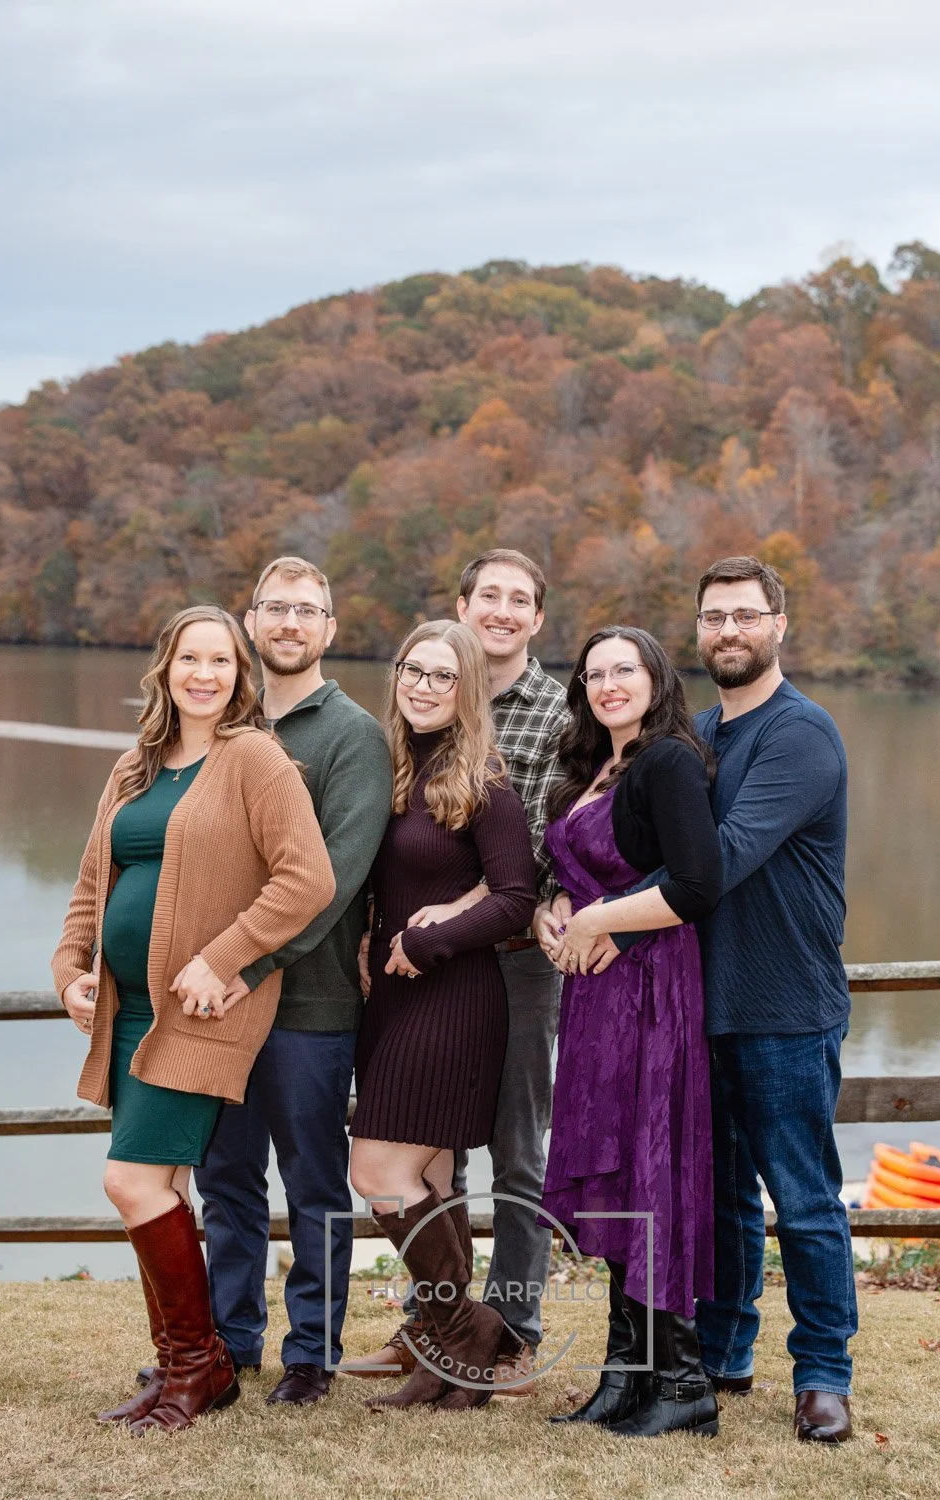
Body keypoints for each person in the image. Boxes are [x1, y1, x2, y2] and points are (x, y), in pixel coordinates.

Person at [561, 556, 857, 1444]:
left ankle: (823, 1375)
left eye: (746, 615)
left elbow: (717, 859)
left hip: (779, 1001)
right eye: (715, 617)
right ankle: (723, 1354)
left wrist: (606, 915)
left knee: (801, 1197)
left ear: (778, 625)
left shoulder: (801, 734)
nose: (730, 630)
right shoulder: (689, 734)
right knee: (715, 1197)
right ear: (697, 632)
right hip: (688, 1006)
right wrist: (575, 900)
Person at [52, 605, 334, 1435]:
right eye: (189, 659)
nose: (204, 675)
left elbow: (306, 878)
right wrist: (72, 972)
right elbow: (88, 883)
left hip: (201, 1010)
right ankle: (188, 1365)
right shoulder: (137, 764)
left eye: (221, 661)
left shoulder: (255, 759)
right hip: (128, 1008)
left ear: (241, 676)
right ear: (166, 670)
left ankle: (197, 1364)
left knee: (129, 1181)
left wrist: (225, 957)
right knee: (163, 1187)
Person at [345, 549, 568, 1394]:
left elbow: (519, 890)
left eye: (444, 675)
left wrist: (429, 937)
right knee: (435, 1174)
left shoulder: (491, 773)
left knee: (384, 1170)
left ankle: (483, 1330)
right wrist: (376, 936)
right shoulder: (398, 767)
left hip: (469, 987)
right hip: (400, 997)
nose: (426, 684)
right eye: (415, 670)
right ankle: (448, 1343)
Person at [189, 558, 393, 1407]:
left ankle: (312, 1351)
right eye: (275, 609)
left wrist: (247, 963)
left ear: (330, 630)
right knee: (225, 1179)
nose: (288, 624)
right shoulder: (215, 726)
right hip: (216, 1000)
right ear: (251, 618)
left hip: (307, 1004)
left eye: (307, 612)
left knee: (312, 1182)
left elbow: (336, 876)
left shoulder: (351, 737)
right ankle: (229, 1342)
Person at [534, 627, 722, 1439]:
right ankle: (623, 1376)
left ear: (656, 680)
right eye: (596, 673)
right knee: (613, 1181)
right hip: (594, 1001)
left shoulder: (669, 762)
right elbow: (573, 878)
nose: (610, 684)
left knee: (653, 1173)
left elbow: (697, 881)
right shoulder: (591, 767)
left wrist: (603, 917)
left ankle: (683, 1383)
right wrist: (554, 913)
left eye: (626, 670)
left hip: (651, 993)